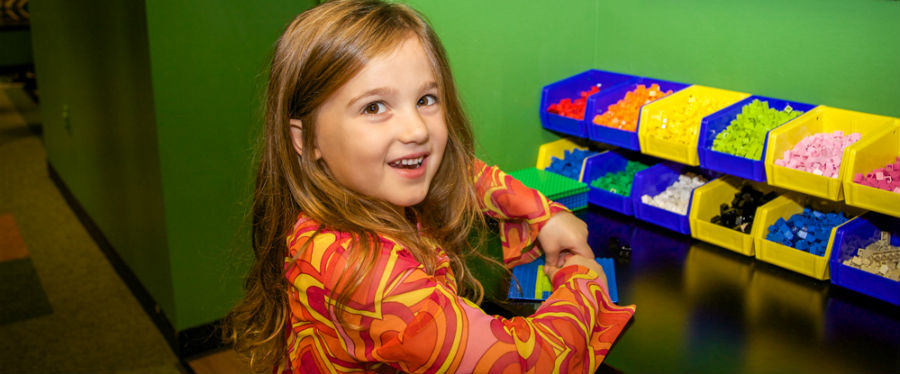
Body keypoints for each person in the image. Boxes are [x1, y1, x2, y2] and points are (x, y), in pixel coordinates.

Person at [226, 1, 636, 373]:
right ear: (307, 140)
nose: (416, 129)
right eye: (374, 107)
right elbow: (529, 363)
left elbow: (464, 172)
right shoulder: (363, 273)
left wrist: (543, 214)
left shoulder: (361, 189)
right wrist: (582, 280)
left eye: (425, 99)